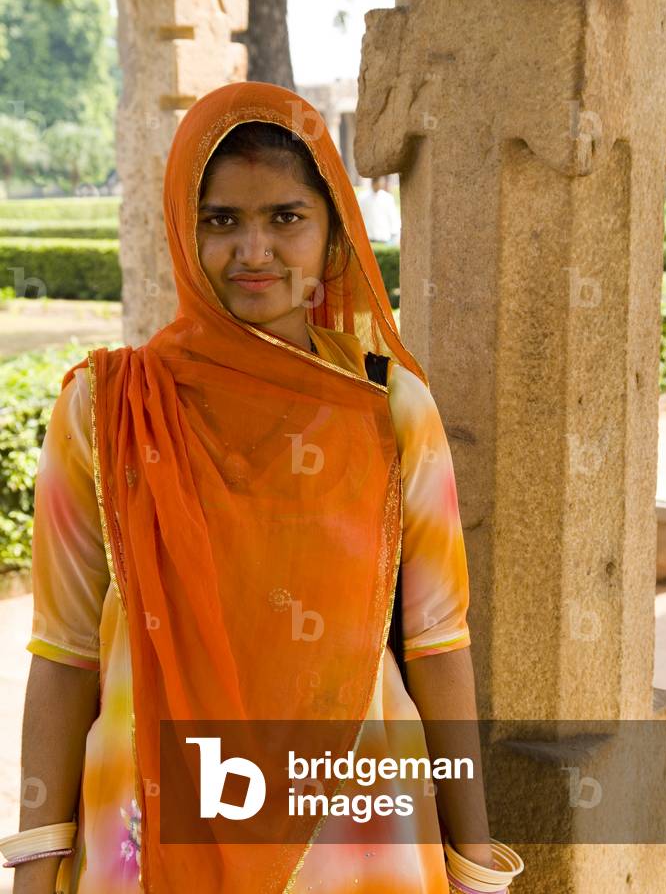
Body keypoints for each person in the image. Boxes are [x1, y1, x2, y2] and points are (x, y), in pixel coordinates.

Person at [6, 83, 499, 893]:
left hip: (354, 833)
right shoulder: (108, 409)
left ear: (334, 230)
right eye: (221, 219)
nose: (255, 251)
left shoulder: (390, 407)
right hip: (149, 832)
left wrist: (476, 860)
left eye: (286, 217)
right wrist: (35, 868)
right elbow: (63, 655)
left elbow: (441, 643)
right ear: (181, 224)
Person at [358, 176, 401, 245]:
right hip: (368, 238)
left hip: (384, 239)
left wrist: (395, 236)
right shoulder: (362, 197)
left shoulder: (387, 198)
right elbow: (359, 218)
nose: (381, 183)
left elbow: (393, 219)